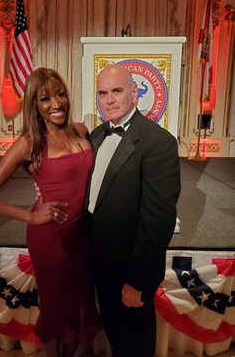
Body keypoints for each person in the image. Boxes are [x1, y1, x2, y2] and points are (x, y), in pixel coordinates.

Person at [0, 67, 101, 357]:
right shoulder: (29, 143)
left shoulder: (81, 130)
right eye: (45, 98)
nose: (56, 104)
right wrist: (29, 215)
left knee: (82, 302)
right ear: (34, 105)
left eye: (60, 94)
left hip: (83, 233)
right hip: (50, 237)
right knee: (56, 305)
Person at [87, 64, 181, 357]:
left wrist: (135, 281)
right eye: (103, 93)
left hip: (130, 269)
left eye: (117, 91)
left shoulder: (158, 143)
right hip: (101, 262)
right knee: (116, 335)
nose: (110, 99)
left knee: (135, 344)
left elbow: (158, 222)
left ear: (135, 94)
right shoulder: (96, 136)